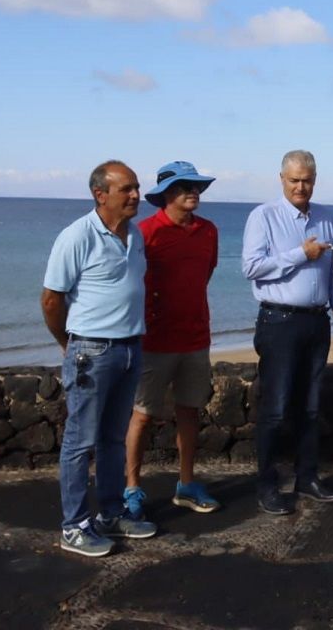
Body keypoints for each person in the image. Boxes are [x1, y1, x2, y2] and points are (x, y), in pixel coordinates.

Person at [41, 161, 157, 557]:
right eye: (126, 189)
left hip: (129, 348)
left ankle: (110, 512)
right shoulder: (76, 237)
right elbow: (51, 300)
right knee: (79, 441)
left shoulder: (135, 234)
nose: (136, 196)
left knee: (112, 438)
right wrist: (68, 343)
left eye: (137, 188)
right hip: (91, 350)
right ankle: (74, 525)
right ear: (100, 194)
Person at [241, 150, 333, 515]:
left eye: (307, 180)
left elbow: (332, 269)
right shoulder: (263, 216)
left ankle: (308, 476)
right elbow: (252, 268)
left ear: (315, 180)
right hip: (279, 322)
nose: (301, 186)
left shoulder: (326, 217)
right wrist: (300, 254)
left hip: (316, 322)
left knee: (311, 407)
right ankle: (267, 485)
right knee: (276, 408)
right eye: (294, 180)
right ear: (281, 179)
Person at [122, 161, 221, 521]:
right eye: (184, 187)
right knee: (143, 415)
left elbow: (204, 274)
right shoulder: (144, 232)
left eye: (195, 186)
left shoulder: (209, 231)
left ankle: (187, 484)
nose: (193, 192)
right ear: (166, 195)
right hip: (153, 341)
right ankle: (131, 487)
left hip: (195, 337)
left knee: (189, 412)